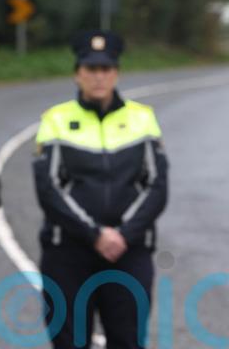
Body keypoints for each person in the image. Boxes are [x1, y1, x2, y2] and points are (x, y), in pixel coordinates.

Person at [33, 30, 168, 348]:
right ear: (77, 73)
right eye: (91, 69)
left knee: (127, 340)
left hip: (129, 251)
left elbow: (157, 186)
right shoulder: (55, 120)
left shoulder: (142, 118)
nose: (98, 77)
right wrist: (95, 234)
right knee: (69, 341)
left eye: (105, 69)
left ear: (116, 73)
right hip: (68, 252)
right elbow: (48, 189)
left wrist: (122, 235)